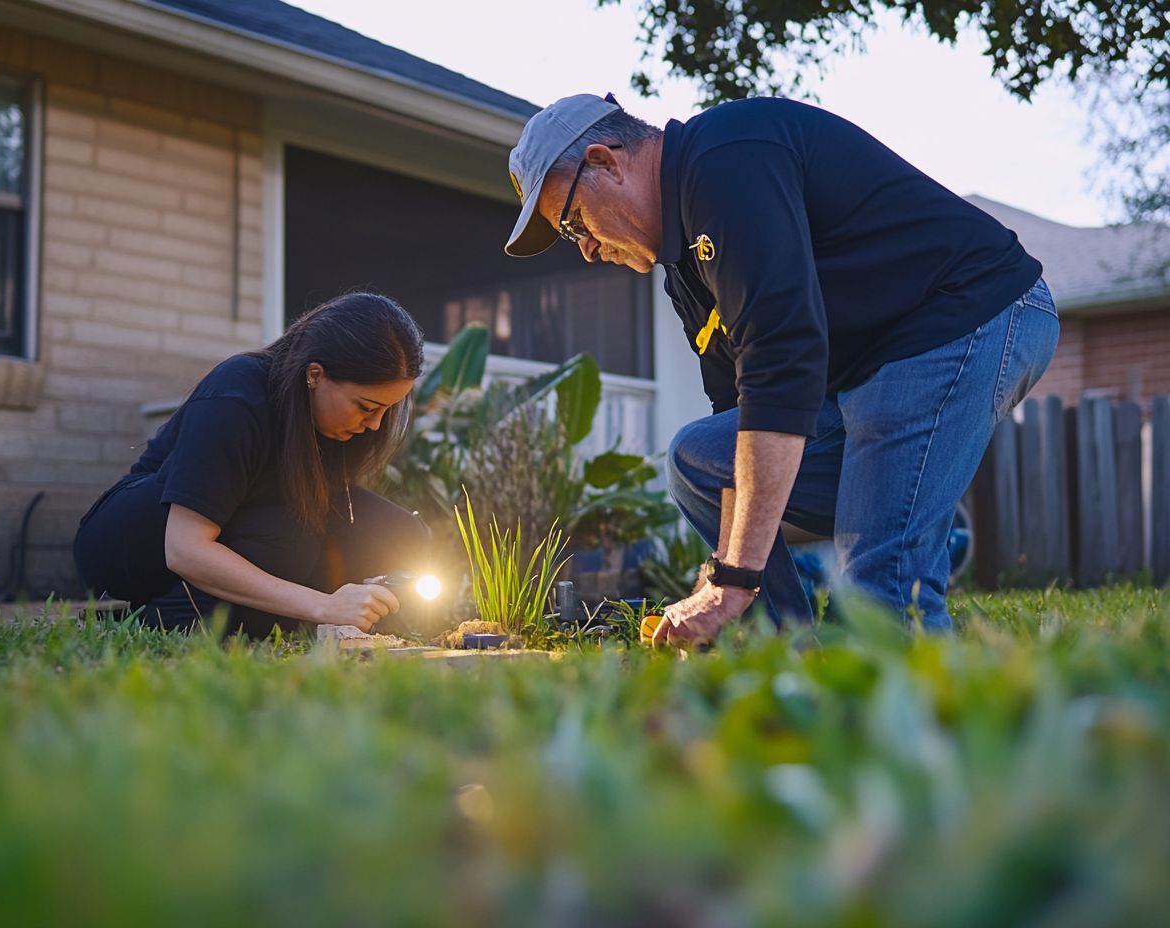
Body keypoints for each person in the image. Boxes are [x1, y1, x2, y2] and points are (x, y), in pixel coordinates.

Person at [503, 93, 1059, 643]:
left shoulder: (725, 158)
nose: (586, 251)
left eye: (574, 223)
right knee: (703, 456)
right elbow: (742, 415)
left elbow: (781, 359)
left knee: (877, 593)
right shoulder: (686, 273)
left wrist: (734, 578)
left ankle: (925, 702)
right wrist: (726, 570)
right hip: (873, 374)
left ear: (606, 161)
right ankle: (786, 649)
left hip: (970, 313)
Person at [74, 291, 429, 636]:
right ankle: (157, 619)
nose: (375, 425)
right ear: (315, 375)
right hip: (137, 536)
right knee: (288, 540)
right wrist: (322, 605)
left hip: (250, 523)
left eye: (388, 409)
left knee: (400, 535)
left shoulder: (335, 428)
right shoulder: (239, 393)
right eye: (366, 407)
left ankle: (270, 616)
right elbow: (184, 549)